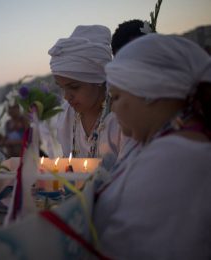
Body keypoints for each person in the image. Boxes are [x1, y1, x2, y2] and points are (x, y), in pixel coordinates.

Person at [93, 34, 211, 259]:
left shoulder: (177, 156)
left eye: (116, 97)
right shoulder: (171, 142)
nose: (113, 110)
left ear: (149, 92)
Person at [48, 25, 123, 169]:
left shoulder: (120, 117)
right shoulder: (66, 115)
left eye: (74, 87)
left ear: (98, 81)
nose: (66, 97)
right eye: (62, 87)